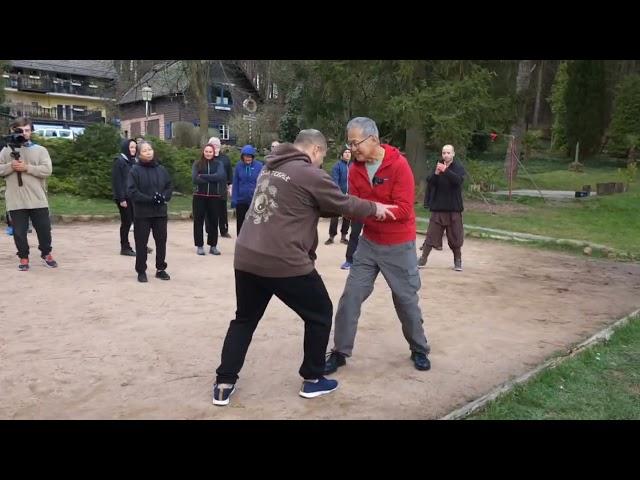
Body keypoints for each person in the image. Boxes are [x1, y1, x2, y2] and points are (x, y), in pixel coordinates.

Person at [212, 129, 397, 406]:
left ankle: (224, 382)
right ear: (316, 151)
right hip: (283, 260)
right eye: (321, 157)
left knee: (245, 319)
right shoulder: (309, 172)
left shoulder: (270, 168)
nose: (321, 162)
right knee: (320, 312)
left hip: (247, 256)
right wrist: (374, 208)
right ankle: (312, 379)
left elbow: (312, 205)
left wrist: (347, 207)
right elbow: (341, 201)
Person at [325, 117, 431, 375]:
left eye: (355, 142)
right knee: (351, 296)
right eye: (349, 143)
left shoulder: (399, 166)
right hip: (369, 244)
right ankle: (339, 352)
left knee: (405, 300)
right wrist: (348, 209)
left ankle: (419, 348)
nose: (352, 148)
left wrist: (370, 210)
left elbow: (405, 210)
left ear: (373, 140)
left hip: (399, 245)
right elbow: (355, 204)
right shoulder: (354, 169)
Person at [0, 117, 57, 271]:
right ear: (13, 130)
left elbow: (47, 170)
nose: (24, 133)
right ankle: (23, 257)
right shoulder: (5, 150)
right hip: (15, 199)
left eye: (27, 130)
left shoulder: (40, 150)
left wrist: (27, 168)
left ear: (31, 131)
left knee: (44, 229)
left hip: (37, 198)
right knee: (19, 232)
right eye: (20, 130)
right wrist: (10, 166)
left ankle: (46, 254)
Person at [127, 141, 173, 283]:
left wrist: (163, 197)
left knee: (161, 241)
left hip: (160, 212)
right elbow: (132, 191)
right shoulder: (135, 170)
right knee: (141, 243)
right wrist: (149, 199)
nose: (148, 152)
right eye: (145, 150)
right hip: (142, 213)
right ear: (139, 154)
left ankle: (160, 268)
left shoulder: (161, 169)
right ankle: (141, 270)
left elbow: (169, 185)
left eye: (150, 149)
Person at [419, 144, 466, 271]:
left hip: (453, 209)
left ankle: (458, 261)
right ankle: (423, 259)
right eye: (444, 153)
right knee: (431, 235)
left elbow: (458, 181)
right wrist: (436, 173)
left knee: (455, 237)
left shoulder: (458, 167)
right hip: (438, 208)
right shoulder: (438, 165)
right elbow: (430, 181)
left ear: (453, 154)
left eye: (448, 153)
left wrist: (446, 171)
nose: (446, 155)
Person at [192, 144, 226, 255]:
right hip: (199, 196)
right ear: (203, 152)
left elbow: (220, 176)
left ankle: (213, 245)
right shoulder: (197, 164)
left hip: (214, 197)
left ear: (213, 152)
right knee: (198, 221)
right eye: (206, 151)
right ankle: (199, 246)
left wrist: (203, 176)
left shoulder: (219, 164)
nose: (208, 153)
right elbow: (195, 179)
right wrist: (211, 178)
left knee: (213, 221)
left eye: (210, 151)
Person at [112, 138, 138, 256]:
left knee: (137, 221)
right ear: (126, 148)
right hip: (123, 198)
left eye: (135, 147)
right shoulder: (119, 161)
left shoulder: (133, 161)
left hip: (132, 196)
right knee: (127, 222)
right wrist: (121, 199)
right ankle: (125, 247)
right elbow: (117, 182)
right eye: (131, 147)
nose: (134, 149)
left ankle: (140, 244)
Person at [230, 145, 263, 235]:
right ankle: (240, 244)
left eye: (250, 156)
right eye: (245, 156)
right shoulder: (238, 166)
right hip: (241, 200)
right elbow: (235, 183)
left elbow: (262, 183)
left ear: (253, 156)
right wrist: (234, 199)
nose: (248, 158)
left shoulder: (259, 166)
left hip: (254, 200)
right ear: (242, 157)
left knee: (254, 225)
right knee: (240, 224)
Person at [325, 148, 351, 245]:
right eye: (346, 152)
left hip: (350, 196)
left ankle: (343, 237)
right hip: (339, 196)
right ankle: (331, 237)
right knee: (335, 216)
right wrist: (339, 194)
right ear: (342, 154)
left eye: (349, 152)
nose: (348, 154)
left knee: (347, 217)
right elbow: (335, 182)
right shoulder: (337, 166)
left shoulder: (353, 166)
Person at [207, 136, 233, 238]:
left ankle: (224, 230)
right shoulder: (207, 157)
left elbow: (229, 173)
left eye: (217, 145)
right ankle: (210, 229)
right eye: (213, 145)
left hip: (222, 189)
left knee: (222, 211)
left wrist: (230, 186)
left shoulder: (225, 158)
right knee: (209, 211)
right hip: (209, 189)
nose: (215, 147)